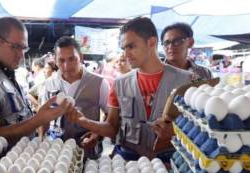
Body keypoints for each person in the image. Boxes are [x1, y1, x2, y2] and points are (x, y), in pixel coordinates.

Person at [65, 17, 191, 161]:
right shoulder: (119, 84)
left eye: (131, 46)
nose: (126, 54)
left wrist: (177, 132)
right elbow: (112, 128)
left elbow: (202, 132)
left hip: (168, 163)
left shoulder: (185, 81)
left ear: (151, 43)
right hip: (127, 161)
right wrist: (84, 121)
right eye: (124, 48)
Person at [0, 17, 68, 145]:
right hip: (1, 163)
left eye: (24, 48)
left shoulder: (2, 71)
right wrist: (37, 120)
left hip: (19, 158)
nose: (22, 54)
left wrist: (40, 116)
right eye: (16, 47)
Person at [44, 36, 110, 159]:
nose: (66, 66)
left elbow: (110, 115)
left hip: (87, 150)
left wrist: (96, 134)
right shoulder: (50, 83)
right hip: (57, 151)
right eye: (61, 60)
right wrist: (42, 143)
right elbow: (44, 118)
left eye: (72, 59)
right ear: (55, 61)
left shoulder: (99, 83)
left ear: (81, 57)